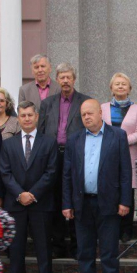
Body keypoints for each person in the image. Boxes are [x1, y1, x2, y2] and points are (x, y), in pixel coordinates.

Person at [62, 100, 132, 273]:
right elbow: (67, 174)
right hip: (82, 203)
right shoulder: (74, 139)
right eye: (83, 115)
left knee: (109, 249)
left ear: (100, 113)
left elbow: (125, 172)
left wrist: (125, 201)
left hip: (109, 202)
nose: (86, 117)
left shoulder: (117, 136)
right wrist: (67, 203)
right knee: (85, 249)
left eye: (90, 113)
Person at [0, 101, 59, 273]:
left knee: (43, 247)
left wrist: (32, 194)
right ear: (18, 118)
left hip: (40, 203)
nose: (26, 118)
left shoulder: (49, 142)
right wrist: (20, 194)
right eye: (23, 115)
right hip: (15, 204)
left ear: (36, 117)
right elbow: (5, 173)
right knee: (16, 248)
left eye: (30, 115)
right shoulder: (8, 144)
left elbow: (51, 172)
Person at [39, 62, 91, 258]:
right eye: (62, 77)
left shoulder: (84, 102)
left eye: (69, 77)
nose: (66, 80)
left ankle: (77, 245)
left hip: (76, 155)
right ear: (57, 80)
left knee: (76, 198)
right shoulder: (47, 103)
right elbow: (42, 132)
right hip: (53, 155)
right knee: (55, 198)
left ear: (74, 79)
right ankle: (58, 245)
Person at [100, 72, 137, 242]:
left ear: (129, 88)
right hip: (108, 154)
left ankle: (126, 230)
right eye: (117, 84)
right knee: (110, 189)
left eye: (123, 84)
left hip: (129, 153)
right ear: (111, 88)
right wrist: (112, 143)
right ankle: (111, 229)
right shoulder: (103, 108)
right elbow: (100, 128)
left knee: (127, 189)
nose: (120, 86)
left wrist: (121, 140)